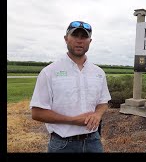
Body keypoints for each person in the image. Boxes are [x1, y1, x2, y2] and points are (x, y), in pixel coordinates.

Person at [30, 21, 111, 153]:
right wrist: (73, 120)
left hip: (93, 142)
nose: (79, 41)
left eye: (84, 37)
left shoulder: (98, 73)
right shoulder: (50, 72)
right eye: (75, 36)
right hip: (63, 145)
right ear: (66, 38)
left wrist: (97, 114)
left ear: (90, 41)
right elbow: (37, 113)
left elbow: (103, 102)